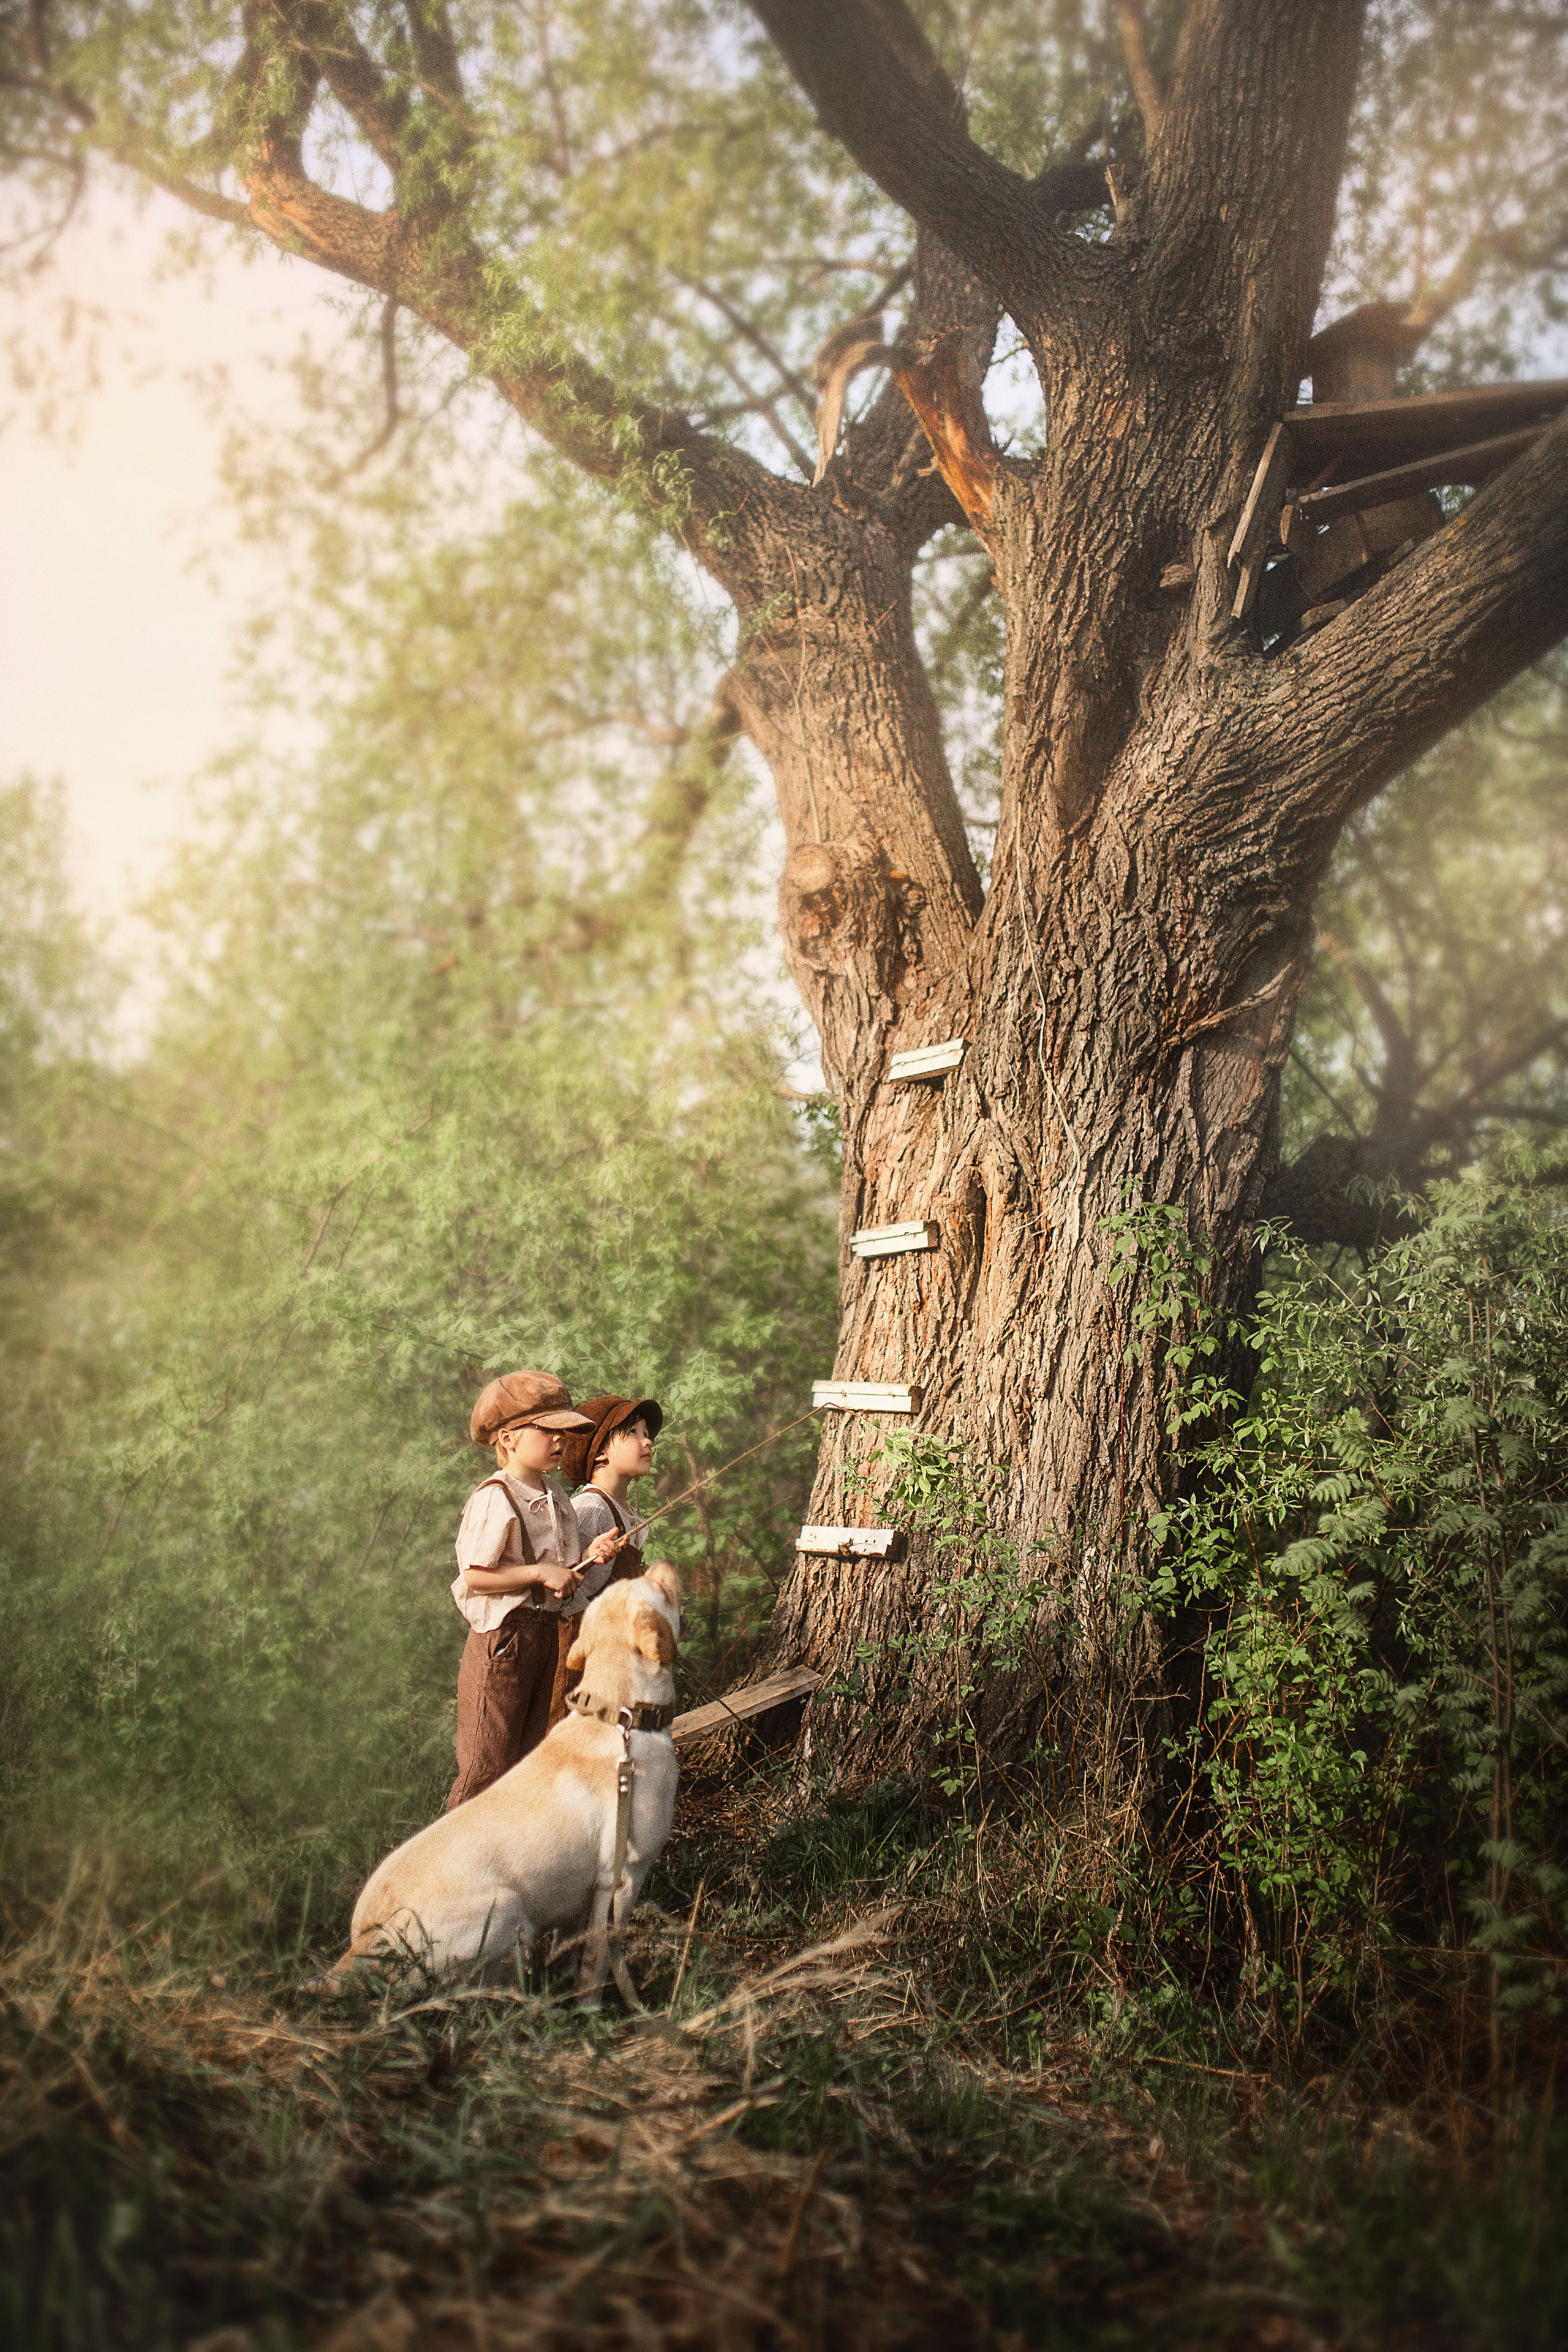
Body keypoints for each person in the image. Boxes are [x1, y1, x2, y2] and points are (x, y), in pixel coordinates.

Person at [444, 1370, 625, 1812]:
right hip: (504, 1641)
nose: (561, 1441)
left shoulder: (556, 1497)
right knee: (486, 1765)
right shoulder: (495, 1497)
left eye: (565, 1432)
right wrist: (540, 1573)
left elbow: (562, 1569)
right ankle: (445, 1867)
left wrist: (591, 1552)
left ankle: (503, 1862)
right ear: (508, 1438)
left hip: (545, 1636)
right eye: (549, 1431)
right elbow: (476, 1577)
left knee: (525, 1761)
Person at [559, 1395, 665, 1581]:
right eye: (633, 1432)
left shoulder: (627, 1513)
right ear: (600, 1451)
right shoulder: (592, 1509)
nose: (648, 1442)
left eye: (646, 1434)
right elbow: (567, 1584)